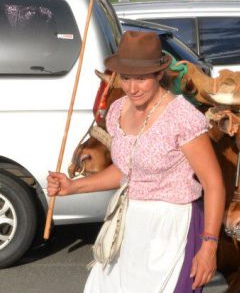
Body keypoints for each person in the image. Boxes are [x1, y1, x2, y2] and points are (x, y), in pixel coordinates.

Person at [46, 31, 225, 292]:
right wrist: (72, 187)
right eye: (127, 78)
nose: (132, 88)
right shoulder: (118, 109)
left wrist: (209, 245)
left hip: (171, 226)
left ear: (158, 74)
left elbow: (214, 184)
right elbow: (126, 171)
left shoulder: (182, 117)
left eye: (141, 79)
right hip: (128, 223)